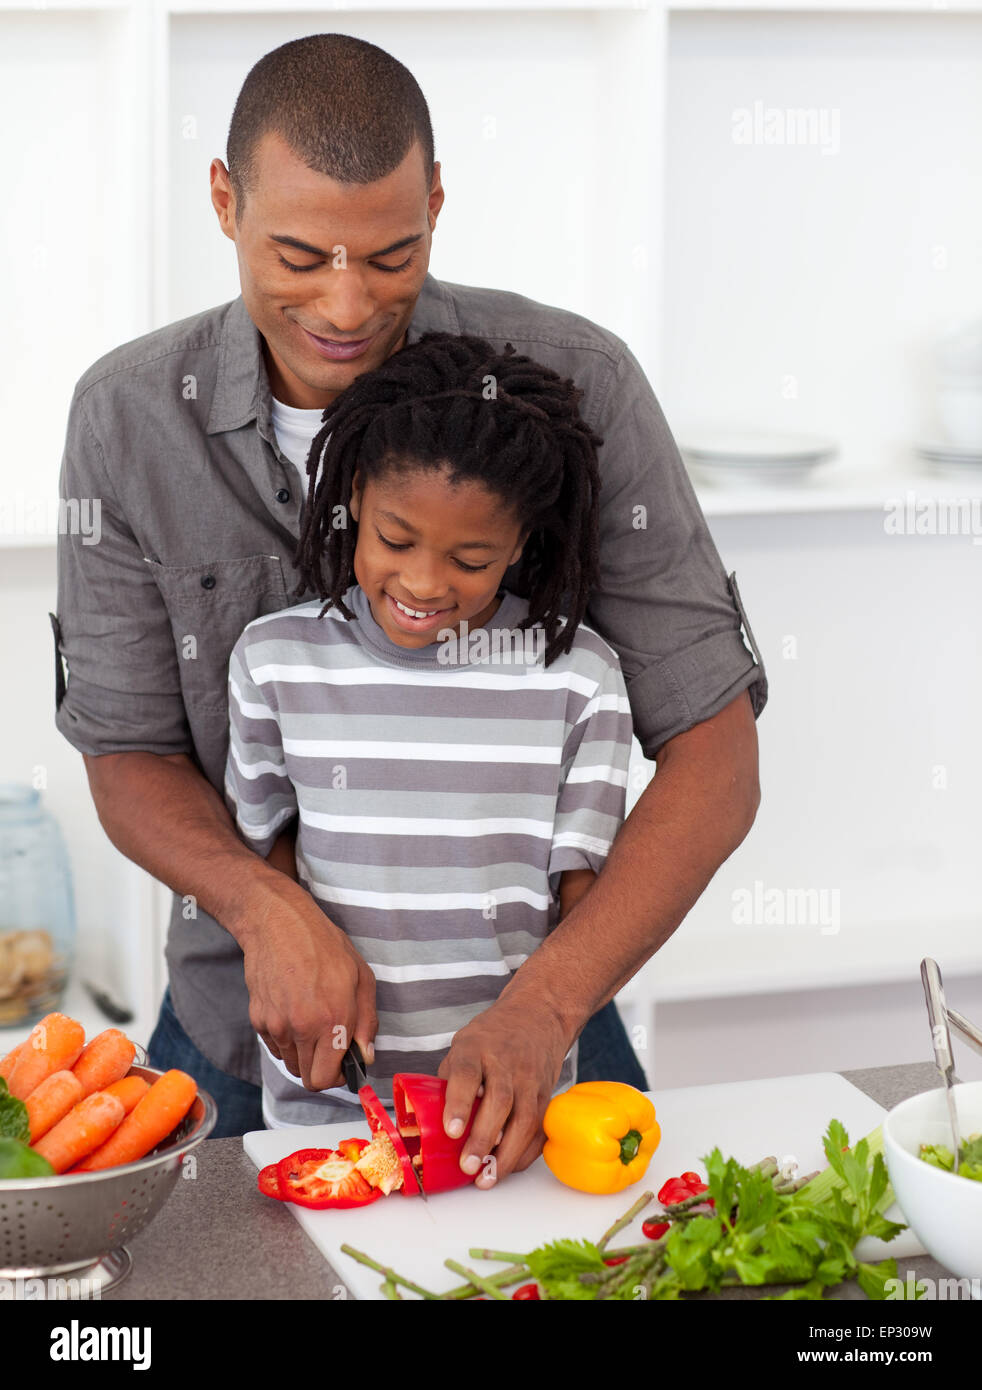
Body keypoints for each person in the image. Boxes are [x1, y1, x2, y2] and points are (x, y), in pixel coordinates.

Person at [51, 34, 766, 1174]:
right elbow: (126, 749)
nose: (346, 304)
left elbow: (716, 755)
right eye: (296, 253)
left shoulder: (576, 384)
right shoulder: (130, 419)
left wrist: (547, 1005)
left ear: (436, 202)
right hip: (240, 1041)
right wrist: (263, 907)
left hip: (537, 1048)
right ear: (224, 202)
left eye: (393, 255)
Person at [224, 330, 636, 1158]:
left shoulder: (579, 679)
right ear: (351, 503)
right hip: (330, 1108)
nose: (422, 584)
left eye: (472, 559)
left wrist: (543, 1027)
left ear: (521, 546)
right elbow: (267, 858)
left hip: (502, 1109)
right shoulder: (274, 663)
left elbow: (583, 902)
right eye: (396, 539)